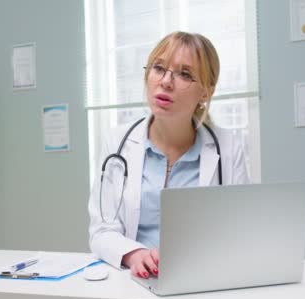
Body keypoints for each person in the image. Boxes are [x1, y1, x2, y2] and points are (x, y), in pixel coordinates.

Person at [88, 31, 250, 279]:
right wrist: (137, 255)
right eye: (159, 68)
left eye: (185, 74)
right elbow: (101, 231)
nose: (165, 81)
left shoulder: (228, 147)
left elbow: (239, 233)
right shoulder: (117, 142)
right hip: (133, 280)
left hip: (199, 279)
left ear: (206, 92)